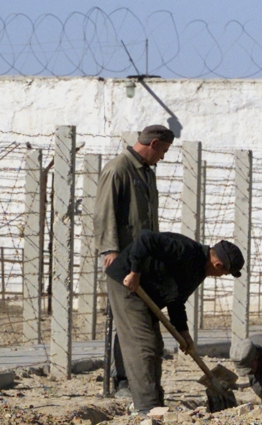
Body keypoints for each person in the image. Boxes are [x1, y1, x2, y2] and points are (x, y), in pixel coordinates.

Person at [106, 231, 245, 415]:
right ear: (218, 265)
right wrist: (135, 272)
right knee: (143, 345)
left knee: (156, 346)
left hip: (147, 292)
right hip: (126, 283)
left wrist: (183, 333)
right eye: (225, 273)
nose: (220, 276)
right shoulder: (185, 251)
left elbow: (176, 300)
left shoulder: (197, 270)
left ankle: (156, 402)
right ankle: (146, 406)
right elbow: (145, 238)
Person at [94, 124, 175, 397]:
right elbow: (104, 212)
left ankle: (140, 382)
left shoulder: (147, 173)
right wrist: (110, 250)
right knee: (129, 324)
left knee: (141, 323)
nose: (163, 156)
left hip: (144, 263)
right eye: (163, 150)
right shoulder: (118, 169)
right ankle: (124, 382)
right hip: (123, 261)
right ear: (153, 144)